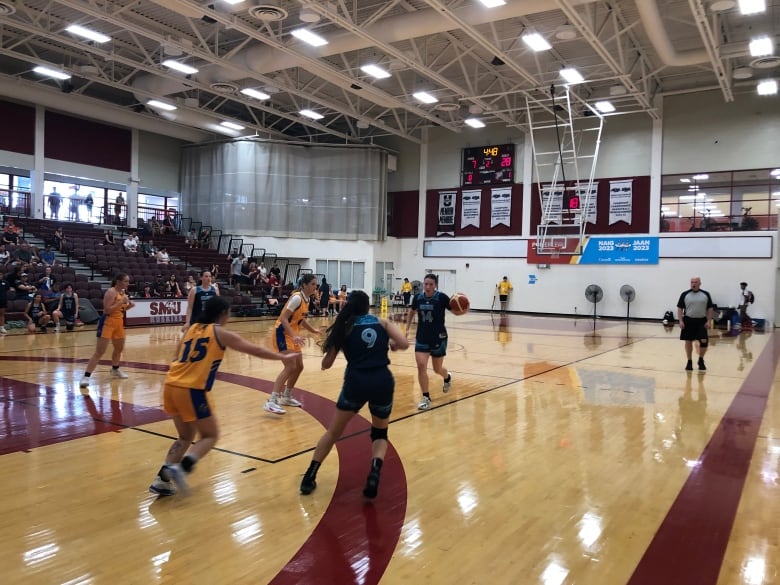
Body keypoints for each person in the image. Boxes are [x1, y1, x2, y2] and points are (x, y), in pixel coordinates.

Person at [148, 296, 300, 496]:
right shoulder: (219, 332)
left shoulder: (191, 329)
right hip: (191, 389)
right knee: (210, 435)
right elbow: (252, 349)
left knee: (185, 437)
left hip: (170, 385)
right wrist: (281, 356)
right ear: (223, 313)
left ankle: (163, 478)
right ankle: (182, 469)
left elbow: (176, 357)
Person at [299, 290, 409, 498]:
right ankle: (375, 471)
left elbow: (327, 363)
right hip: (382, 381)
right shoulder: (382, 322)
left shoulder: (345, 327)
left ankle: (309, 475)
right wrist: (392, 346)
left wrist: (326, 359)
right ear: (368, 307)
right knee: (379, 433)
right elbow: (403, 344)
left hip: (356, 382)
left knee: (333, 432)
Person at [263, 273, 322, 414]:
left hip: (292, 335)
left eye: (316, 284)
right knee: (290, 366)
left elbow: (301, 320)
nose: (315, 287)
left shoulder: (307, 299)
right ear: (305, 285)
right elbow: (283, 318)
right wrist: (294, 335)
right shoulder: (297, 298)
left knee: (299, 366)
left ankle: (287, 397)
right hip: (282, 334)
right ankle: (272, 401)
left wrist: (313, 330)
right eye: (313, 284)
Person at [405, 273, 453, 410]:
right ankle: (426, 397)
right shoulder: (418, 298)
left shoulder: (442, 298)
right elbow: (411, 312)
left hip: (439, 337)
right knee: (421, 366)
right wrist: (407, 329)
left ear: (435, 285)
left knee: (437, 369)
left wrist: (463, 309)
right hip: (422, 337)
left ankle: (447, 377)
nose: (427, 286)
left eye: (431, 284)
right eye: (426, 284)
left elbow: (455, 310)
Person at [80, 273, 135, 387]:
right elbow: (107, 310)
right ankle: (86, 376)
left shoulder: (123, 293)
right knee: (99, 352)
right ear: (119, 281)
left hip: (119, 323)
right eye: (126, 281)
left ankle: (115, 369)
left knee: (119, 349)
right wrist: (121, 301)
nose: (128, 283)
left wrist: (129, 306)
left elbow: (121, 310)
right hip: (107, 323)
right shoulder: (111, 292)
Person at [677, 276, 715, 371]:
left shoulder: (705, 294)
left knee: (704, 341)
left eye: (695, 282)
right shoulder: (684, 294)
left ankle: (701, 360)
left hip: (701, 321)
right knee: (688, 341)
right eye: (692, 282)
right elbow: (680, 308)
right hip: (688, 321)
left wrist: (709, 321)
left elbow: (710, 308)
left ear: (699, 283)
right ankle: (689, 361)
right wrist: (680, 320)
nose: (693, 284)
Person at [0, 270, 10, 335]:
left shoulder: (5, 282)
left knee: (1, 314)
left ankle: (2, 327)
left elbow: (7, 289)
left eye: (0, 274)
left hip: (2, 300)